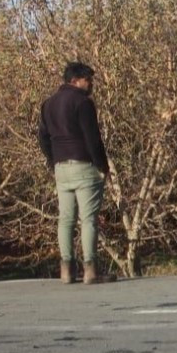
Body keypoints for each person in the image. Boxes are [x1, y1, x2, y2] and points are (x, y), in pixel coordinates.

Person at [38, 61, 110, 284]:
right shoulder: (83, 103)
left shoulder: (48, 104)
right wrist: (102, 166)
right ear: (75, 80)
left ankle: (66, 270)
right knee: (88, 219)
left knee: (66, 219)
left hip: (61, 168)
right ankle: (90, 270)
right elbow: (92, 138)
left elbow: (42, 138)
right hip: (84, 165)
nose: (91, 84)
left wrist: (53, 160)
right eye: (88, 79)